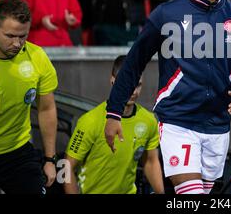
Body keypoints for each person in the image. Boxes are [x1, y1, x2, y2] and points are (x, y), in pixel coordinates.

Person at [104, 0, 231, 194]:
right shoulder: (166, 14)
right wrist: (113, 112)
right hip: (178, 121)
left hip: (219, 124)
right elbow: (134, 63)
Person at [64, 55, 164, 194]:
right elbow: (66, 166)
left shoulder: (148, 120)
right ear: (112, 81)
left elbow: (151, 162)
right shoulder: (90, 121)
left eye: (138, 84)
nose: (133, 91)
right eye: (127, 83)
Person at [0, 0, 58, 194]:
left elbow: (47, 109)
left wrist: (50, 159)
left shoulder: (37, 57)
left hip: (18, 153)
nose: (17, 43)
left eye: (23, 36)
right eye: (10, 35)